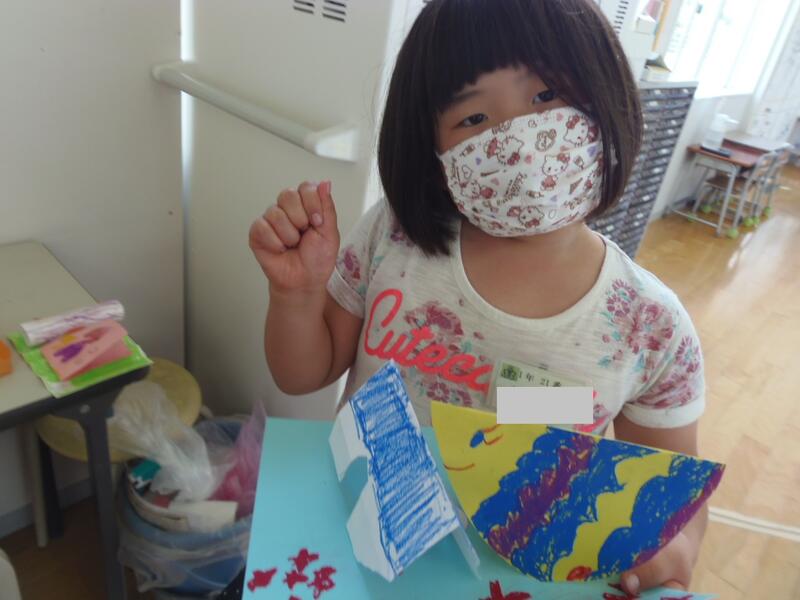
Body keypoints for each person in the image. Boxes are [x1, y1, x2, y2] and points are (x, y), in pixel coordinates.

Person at [249, 0, 706, 594]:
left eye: (546, 96)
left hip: (521, 572)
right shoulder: (393, 238)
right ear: (430, 146)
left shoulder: (652, 325)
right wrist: (296, 293)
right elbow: (300, 374)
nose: (516, 140)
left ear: (605, 96)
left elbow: (676, 499)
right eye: (473, 117)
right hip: (359, 538)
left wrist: (671, 550)